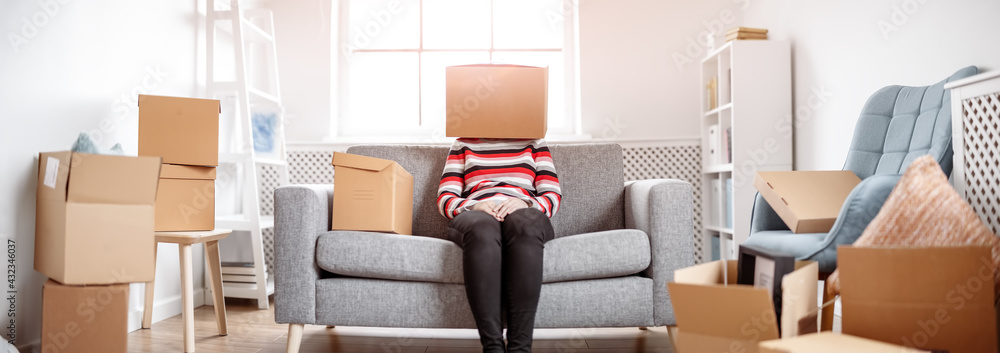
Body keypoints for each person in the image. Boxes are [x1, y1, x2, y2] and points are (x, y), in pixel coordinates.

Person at [437, 137, 562, 353]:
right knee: (482, 229)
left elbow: (552, 194)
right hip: (476, 213)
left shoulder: (535, 143)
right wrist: (473, 206)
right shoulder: (462, 144)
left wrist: (526, 203)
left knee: (525, 225)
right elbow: (445, 198)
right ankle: (492, 347)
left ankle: (520, 348)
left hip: (523, 212)